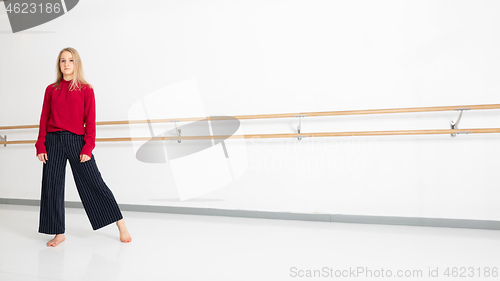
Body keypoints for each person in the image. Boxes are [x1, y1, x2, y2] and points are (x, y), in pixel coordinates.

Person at [35, 47, 131, 247]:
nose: (66, 64)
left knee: (94, 183)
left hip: (77, 142)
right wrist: (41, 145)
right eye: (62, 60)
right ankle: (58, 233)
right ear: (59, 64)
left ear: (76, 63)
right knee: (52, 187)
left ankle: (121, 224)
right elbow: (44, 118)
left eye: (70, 60)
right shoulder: (51, 90)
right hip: (53, 141)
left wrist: (88, 148)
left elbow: (91, 122)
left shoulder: (86, 90)